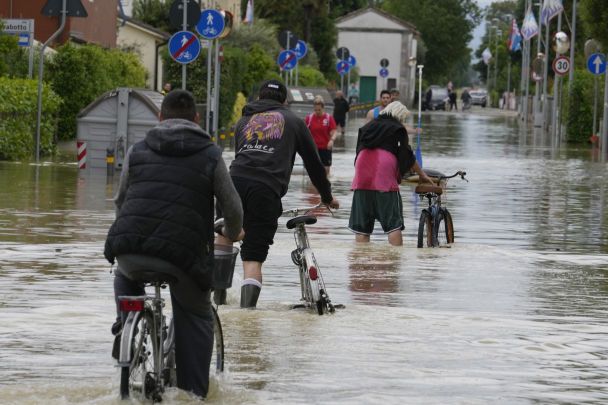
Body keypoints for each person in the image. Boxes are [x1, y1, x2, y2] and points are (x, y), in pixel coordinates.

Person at [104, 90, 244, 399]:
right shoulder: (210, 154)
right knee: (194, 315)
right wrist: (234, 232)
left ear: (159, 117)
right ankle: (192, 394)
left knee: (123, 274)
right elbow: (232, 208)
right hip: (182, 257)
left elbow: (121, 201)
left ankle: (125, 325)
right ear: (196, 119)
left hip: (129, 249)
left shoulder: (138, 150)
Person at [217, 79, 339, 309]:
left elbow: (239, 156)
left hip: (232, 184)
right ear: (284, 101)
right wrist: (326, 196)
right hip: (266, 189)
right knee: (252, 256)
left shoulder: (243, 120)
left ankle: (218, 307)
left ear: (259, 98)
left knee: (223, 238)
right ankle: (246, 316)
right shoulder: (294, 121)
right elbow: (314, 164)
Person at [349, 101, 434, 246]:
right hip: (383, 176)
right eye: (403, 119)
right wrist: (421, 174)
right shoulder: (398, 128)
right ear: (399, 116)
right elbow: (407, 156)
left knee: (362, 228)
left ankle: (360, 260)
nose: (403, 122)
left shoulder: (368, 127)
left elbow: (358, 152)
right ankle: (395, 262)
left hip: (362, 174)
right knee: (393, 225)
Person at [306, 96, 337, 175]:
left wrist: (332, 140)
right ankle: (313, 186)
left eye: (319, 110)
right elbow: (305, 132)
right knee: (313, 169)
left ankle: (325, 184)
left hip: (326, 148)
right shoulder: (309, 118)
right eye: (315, 110)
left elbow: (334, 132)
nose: (317, 112)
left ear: (323, 108)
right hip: (313, 148)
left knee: (326, 169)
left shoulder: (328, 118)